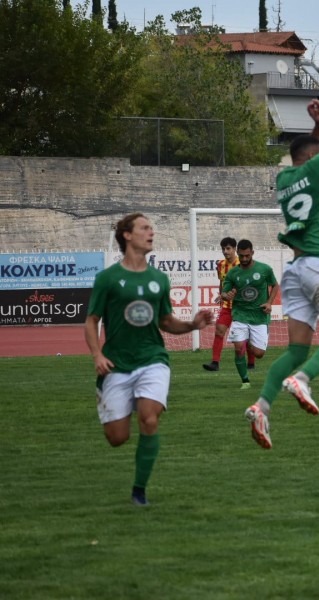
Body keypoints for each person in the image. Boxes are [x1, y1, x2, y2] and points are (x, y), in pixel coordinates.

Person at [244, 98, 319, 449]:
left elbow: (307, 153)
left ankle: (261, 406)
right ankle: (303, 380)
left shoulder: (285, 177)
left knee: (297, 349)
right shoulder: (315, 169)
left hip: (294, 270)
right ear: (314, 158)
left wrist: (316, 130)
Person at [84, 213, 213, 506]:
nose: (151, 232)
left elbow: (166, 322)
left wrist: (193, 325)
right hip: (116, 363)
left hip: (153, 359)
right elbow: (91, 321)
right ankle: (117, 398)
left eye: (152, 228)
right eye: (145, 228)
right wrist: (97, 355)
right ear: (127, 235)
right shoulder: (108, 279)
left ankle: (139, 490)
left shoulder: (159, 279)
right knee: (117, 437)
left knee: (149, 418)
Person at [221, 239, 278, 390]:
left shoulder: (264, 269)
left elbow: (275, 285)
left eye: (247, 255)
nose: (244, 259)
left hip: (259, 316)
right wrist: (228, 296)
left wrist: (269, 302)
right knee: (239, 348)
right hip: (240, 315)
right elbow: (224, 293)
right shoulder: (233, 273)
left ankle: (248, 341)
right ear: (238, 254)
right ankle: (245, 381)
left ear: (252, 253)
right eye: (242, 256)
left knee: (259, 354)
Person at [202, 237, 255, 372]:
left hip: (242, 306)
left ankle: (251, 363)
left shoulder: (242, 263)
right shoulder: (220, 265)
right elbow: (222, 283)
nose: (225, 251)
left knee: (246, 336)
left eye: (228, 248)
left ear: (234, 250)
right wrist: (222, 295)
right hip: (227, 306)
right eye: (223, 249)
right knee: (219, 330)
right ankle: (215, 363)